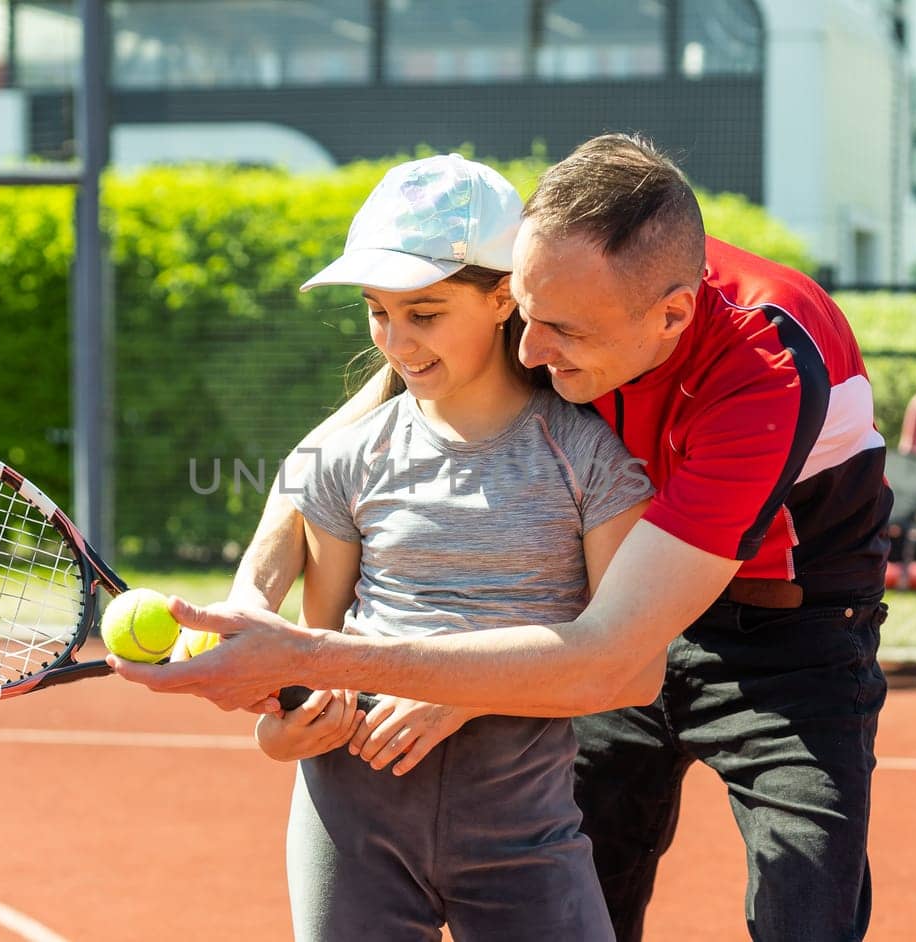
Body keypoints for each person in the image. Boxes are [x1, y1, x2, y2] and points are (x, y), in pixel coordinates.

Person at [114, 134, 893, 941]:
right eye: (524, 313)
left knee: (809, 917)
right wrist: (255, 592)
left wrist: (332, 660)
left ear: (670, 316)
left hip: (785, 634)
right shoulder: (556, 263)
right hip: (609, 599)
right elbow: (333, 448)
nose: (526, 350)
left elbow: (614, 656)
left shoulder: (764, 366)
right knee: (597, 898)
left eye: (558, 332)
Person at [239, 153, 656, 941]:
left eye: (424, 313)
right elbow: (313, 651)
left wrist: (463, 686)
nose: (397, 342)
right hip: (348, 833)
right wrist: (279, 730)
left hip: (524, 842)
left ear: (504, 297)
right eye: (377, 312)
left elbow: (630, 672)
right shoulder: (346, 458)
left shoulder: (593, 459)